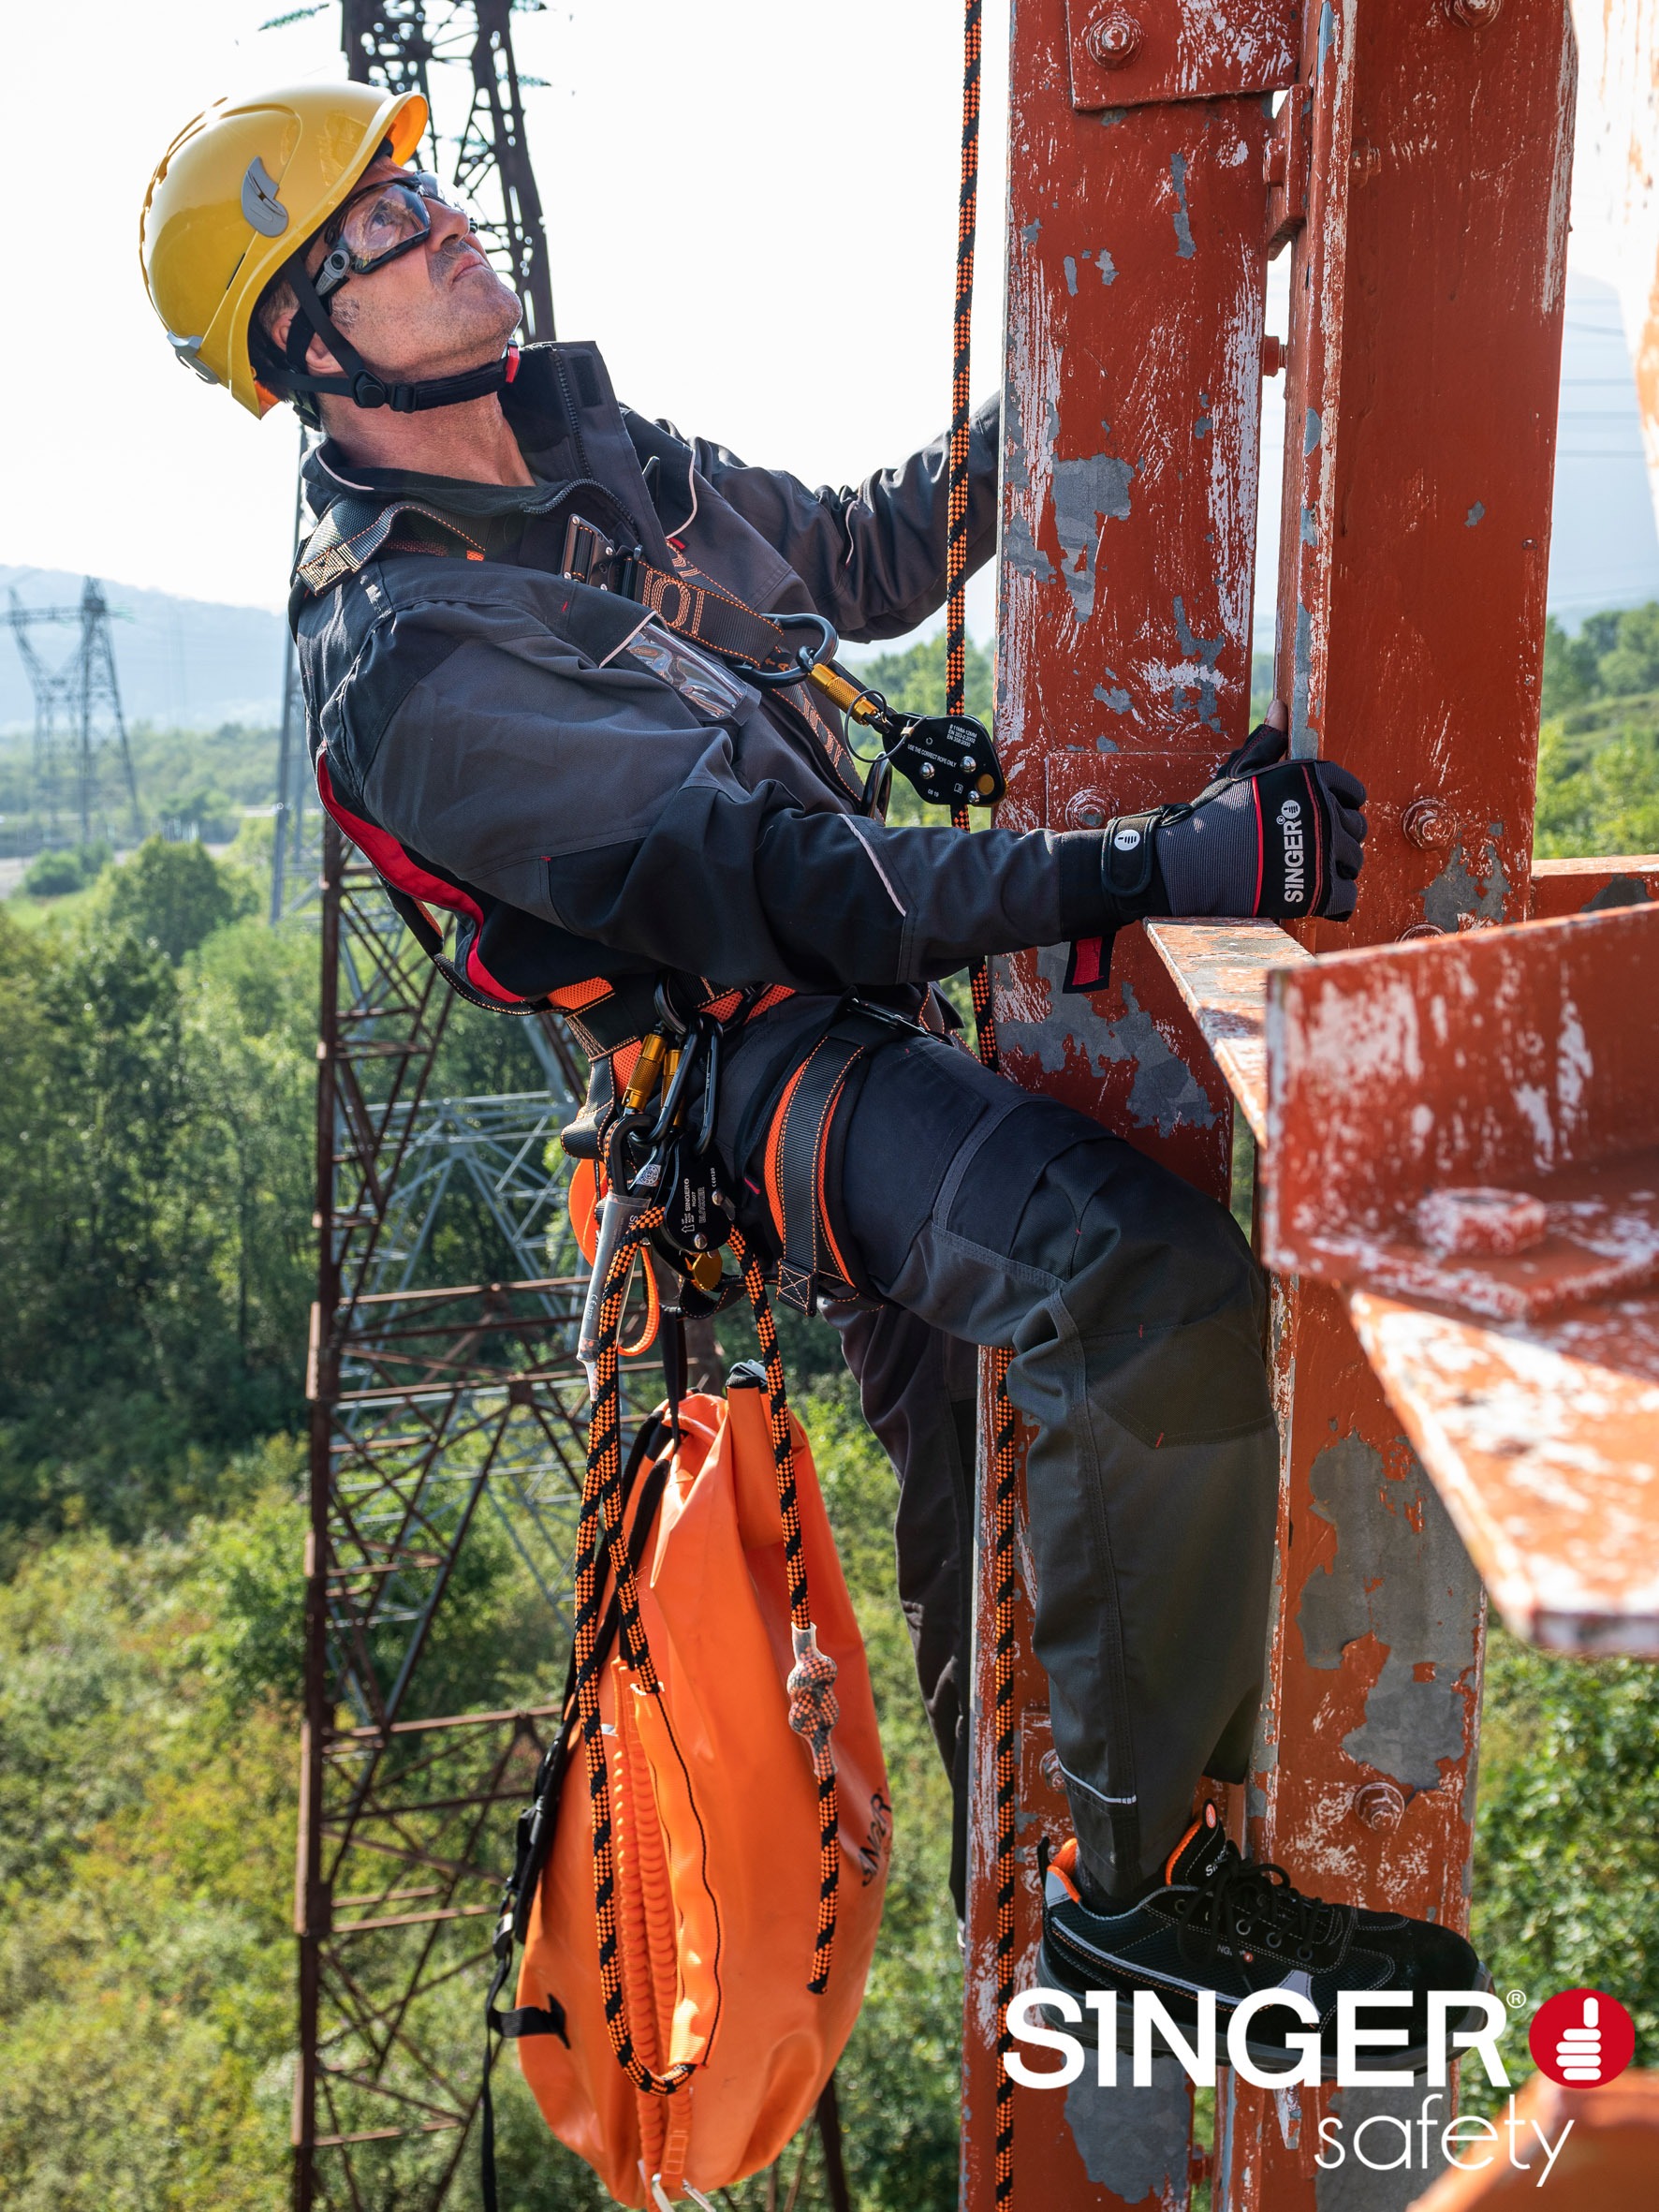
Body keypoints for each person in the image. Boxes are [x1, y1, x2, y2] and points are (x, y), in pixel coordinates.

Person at [140, 81, 1486, 2069]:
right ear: (306, 348)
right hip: (745, 1060)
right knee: (1144, 1283)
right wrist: (1156, 864)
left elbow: (857, 550)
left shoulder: (595, 448)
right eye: (378, 227)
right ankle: (1128, 1903)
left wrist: (1092, 377)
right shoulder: (414, 670)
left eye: (422, 185)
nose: (438, 224)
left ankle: (1044, 1892)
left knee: (994, 1524)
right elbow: (785, 886)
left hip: (856, 985)